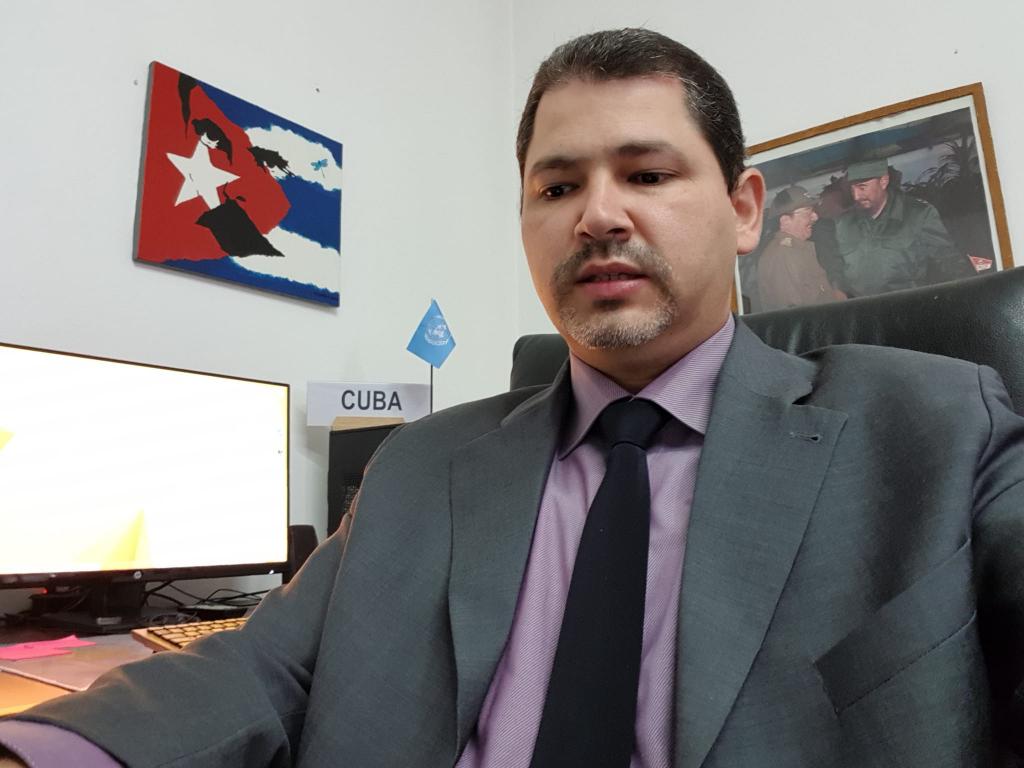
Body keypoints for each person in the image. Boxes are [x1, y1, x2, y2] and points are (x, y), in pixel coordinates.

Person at [3, 27, 1024, 768]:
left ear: (744, 208)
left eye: (647, 173)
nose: (598, 215)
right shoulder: (422, 464)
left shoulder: (935, 427)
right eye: (556, 187)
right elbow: (264, 667)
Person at [835, 158, 976, 297]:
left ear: (883, 181)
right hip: (862, 308)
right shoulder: (844, 223)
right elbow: (837, 269)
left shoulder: (918, 215)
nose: (856, 196)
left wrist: (971, 296)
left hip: (907, 305)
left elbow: (951, 262)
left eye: (862, 187)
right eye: (852, 188)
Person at [756, 185, 844, 311]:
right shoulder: (783, 256)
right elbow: (794, 314)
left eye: (813, 211)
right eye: (807, 212)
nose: (815, 217)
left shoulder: (795, 251)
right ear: (785, 221)